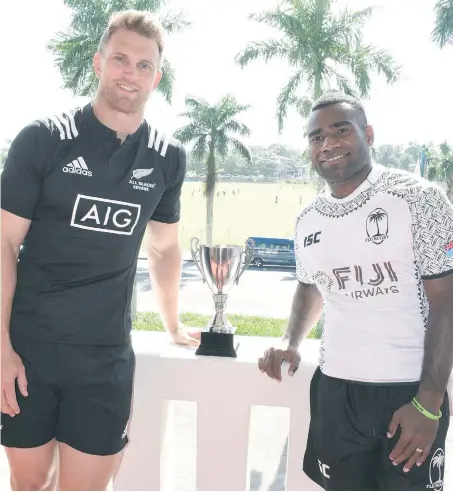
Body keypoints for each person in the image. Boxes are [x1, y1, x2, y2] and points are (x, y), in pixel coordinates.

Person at [1, 10, 199, 491]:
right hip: (30, 350)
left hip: (104, 358)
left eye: (143, 65)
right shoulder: (43, 139)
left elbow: (165, 247)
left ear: (158, 76)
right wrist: (1, 346)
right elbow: (4, 242)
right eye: (120, 59)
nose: (129, 73)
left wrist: (172, 324)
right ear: (98, 63)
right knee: (30, 485)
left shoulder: (167, 156)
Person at [259, 92, 453, 491]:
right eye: (316, 137)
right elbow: (312, 284)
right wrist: (291, 339)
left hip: (408, 396)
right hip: (336, 393)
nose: (327, 143)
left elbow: (447, 300)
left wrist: (430, 401)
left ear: (368, 134)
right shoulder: (308, 218)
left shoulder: (418, 198)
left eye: (340, 130)